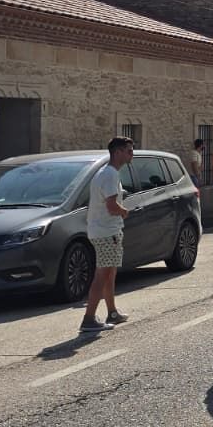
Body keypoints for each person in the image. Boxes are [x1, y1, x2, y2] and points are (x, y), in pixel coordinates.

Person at [81, 137, 133, 336]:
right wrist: (124, 211)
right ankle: (88, 318)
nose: (131, 155)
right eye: (128, 151)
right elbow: (111, 207)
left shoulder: (106, 173)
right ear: (118, 152)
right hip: (106, 231)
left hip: (103, 230)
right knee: (102, 275)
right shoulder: (110, 174)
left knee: (110, 273)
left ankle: (112, 312)